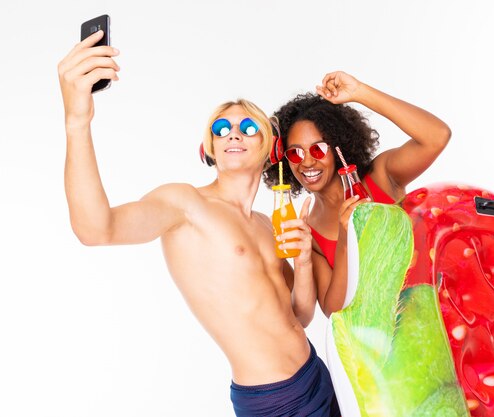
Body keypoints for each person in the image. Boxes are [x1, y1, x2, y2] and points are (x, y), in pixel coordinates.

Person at [58, 30, 340, 417]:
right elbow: (95, 230)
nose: (233, 134)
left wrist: (304, 262)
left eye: (247, 127)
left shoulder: (265, 223)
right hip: (272, 400)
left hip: (316, 376)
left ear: (270, 146)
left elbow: (299, 317)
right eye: (221, 130)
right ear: (207, 147)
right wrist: (78, 121)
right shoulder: (185, 203)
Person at [264, 71, 451, 317]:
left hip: (441, 314)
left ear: (338, 145)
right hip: (390, 347)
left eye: (318, 149)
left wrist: (360, 92)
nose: (307, 162)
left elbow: (437, 136)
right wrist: (345, 236)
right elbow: (334, 310)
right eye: (295, 153)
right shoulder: (309, 231)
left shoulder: (382, 176)